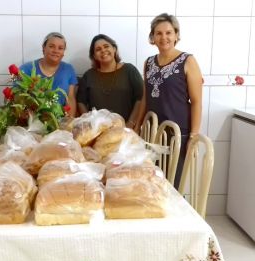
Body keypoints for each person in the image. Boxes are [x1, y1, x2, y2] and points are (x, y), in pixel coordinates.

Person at [137, 13, 203, 188]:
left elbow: (196, 101)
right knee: (152, 182)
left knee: (173, 184)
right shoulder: (149, 63)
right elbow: (146, 97)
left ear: (176, 35)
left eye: (168, 32)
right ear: (153, 37)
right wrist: (137, 126)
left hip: (178, 134)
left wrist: (194, 136)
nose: (163, 37)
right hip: (153, 133)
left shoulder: (188, 61)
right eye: (158, 33)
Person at [77, 34, 143, 129]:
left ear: (114, 49)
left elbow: (140, 98)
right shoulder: (88, 75)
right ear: (94, 56)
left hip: (126, 129)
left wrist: (131, 123)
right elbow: (80, 101)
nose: (103, 50)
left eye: (106, 46)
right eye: (98, 49)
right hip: (98, 132)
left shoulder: (129, 70)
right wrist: (90, 123)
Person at [19, 32, 78, 117]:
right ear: (43, 48)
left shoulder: (68, 69)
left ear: (63, 52)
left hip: (60, 122)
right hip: (31, 121)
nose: (56, 51)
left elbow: (71, 98)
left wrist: (69, 123)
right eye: (51, 46)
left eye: (60, 48)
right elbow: (17, 98)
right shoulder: (27, 69)